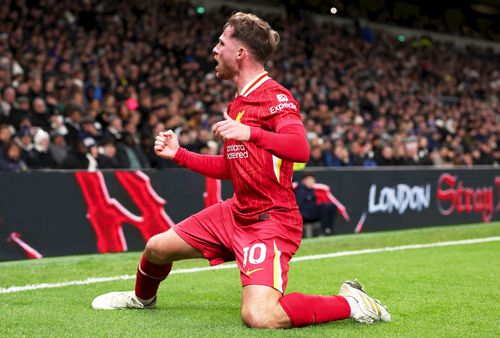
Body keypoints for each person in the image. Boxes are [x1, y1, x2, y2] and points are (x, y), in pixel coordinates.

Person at [92, 12, 390, 328]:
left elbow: (300, 148)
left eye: (221, 43)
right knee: (156, 248)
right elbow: (231, 168)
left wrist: (251, 133)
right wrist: (179, 154)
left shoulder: (274, 95)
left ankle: (350, 302)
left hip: (270, 220)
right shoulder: (238, 103)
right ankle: (142, 299)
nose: (214, 50)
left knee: (260, 316)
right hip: (236, 213)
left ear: (240, 53)